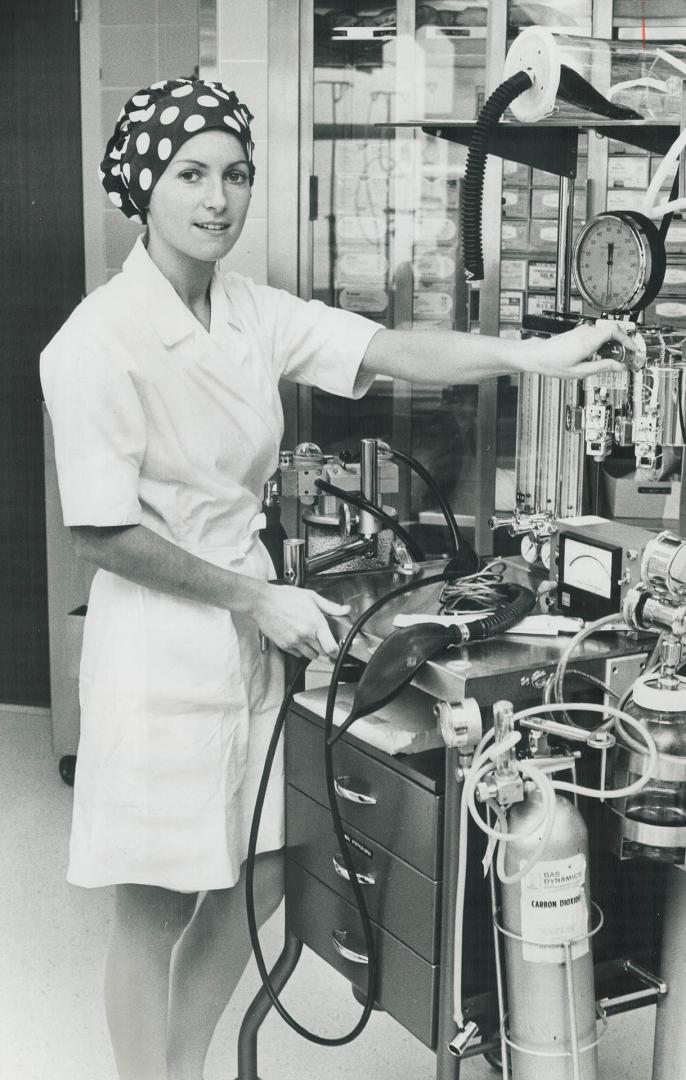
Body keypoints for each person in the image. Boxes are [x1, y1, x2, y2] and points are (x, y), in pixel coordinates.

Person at [40, 77, 632, 1080]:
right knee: (152, 904)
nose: (216, 198)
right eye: (189, 175)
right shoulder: (95, 343)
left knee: (268, 871)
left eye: (233, 174)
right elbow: (100, 534)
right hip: (158, 649)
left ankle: (182, 1066)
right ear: (143, 188)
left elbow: (390, 346)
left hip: (246, 637)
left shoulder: (246, 310)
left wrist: (535, 355)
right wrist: (255, 597)